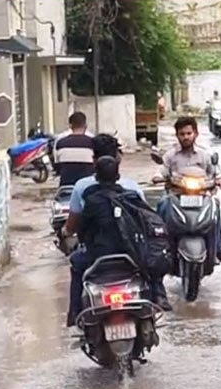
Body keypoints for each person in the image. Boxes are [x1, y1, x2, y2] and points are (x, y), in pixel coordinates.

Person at [63, 140, 166, 327]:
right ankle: (157, 299)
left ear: (95, 169)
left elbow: (80, 228)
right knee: (149, 265)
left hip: (97, 255)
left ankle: (75, 313)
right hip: (131, 254)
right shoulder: (132, 192)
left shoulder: (89, 196)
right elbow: (149, 221)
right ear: (118, 171)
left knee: (76, 264)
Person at [154, 116, 221, 261]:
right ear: (177, 136)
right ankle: (161, 245)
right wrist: (158, 177)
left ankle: (218, 247)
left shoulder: (205, 155)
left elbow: (216, 171)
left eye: (189, 133)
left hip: (201, 195)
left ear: (196, 134)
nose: (186, 137)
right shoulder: (170, 156)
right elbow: (161, 170)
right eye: (182, 134)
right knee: (162, 204)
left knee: (215, 207)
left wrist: (219, 180)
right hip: (176, 195)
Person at [53, 112, 96, 186]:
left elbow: (57, 166)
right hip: (87, 186)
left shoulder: (60, 142)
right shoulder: (93, 142)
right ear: (85, 125)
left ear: (70, 126)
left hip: (66, 186)